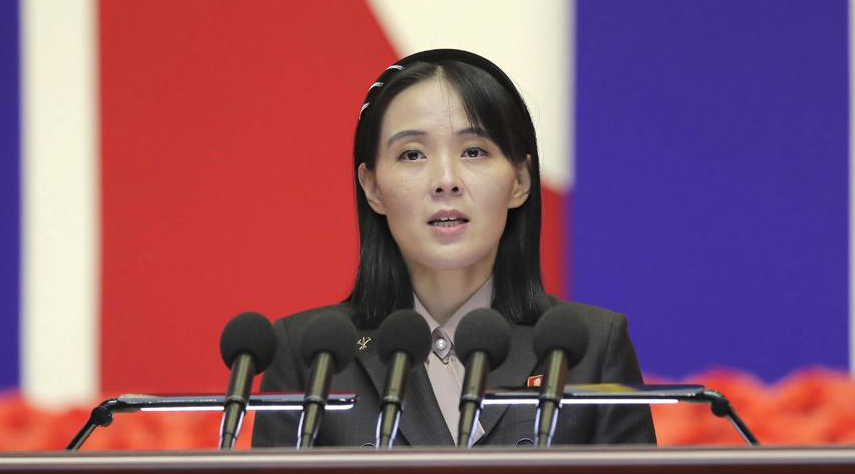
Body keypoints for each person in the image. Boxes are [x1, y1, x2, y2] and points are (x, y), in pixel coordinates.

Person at [252, 49, 655, 447]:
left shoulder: (592, 348)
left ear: (520, 181)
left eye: (473, 152)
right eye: (412, 154)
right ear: (372, 187)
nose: (446, 180)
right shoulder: (312, 356)